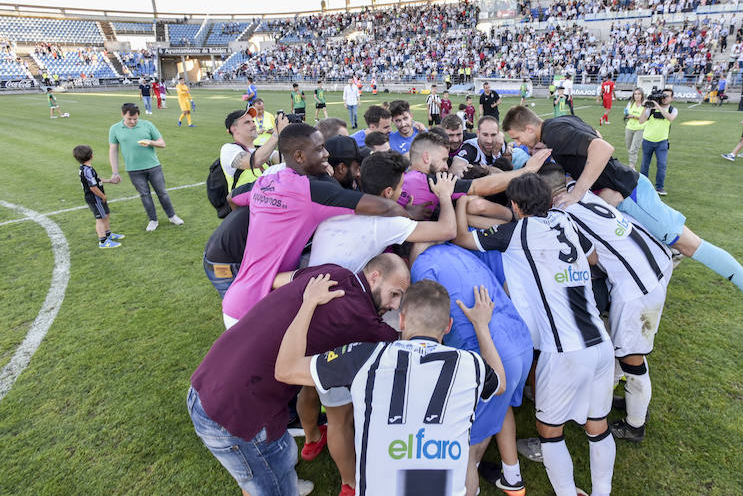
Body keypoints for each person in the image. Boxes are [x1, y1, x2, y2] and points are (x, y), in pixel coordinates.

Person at [502, 105, 743, 333]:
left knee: (689, 244)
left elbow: (601, 147)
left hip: (631, 193)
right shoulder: (558, 124)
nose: (518, 144)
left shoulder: (555, 131)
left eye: (516, 138)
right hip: (626, 192)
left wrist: (580, 191)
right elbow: (593, 133)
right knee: (664, 246)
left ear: (528, 128)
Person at [453, 174, 616, 496]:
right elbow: (593, 257)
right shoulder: (564, 221)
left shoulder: (514, 233)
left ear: (514, 204)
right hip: (601, 342)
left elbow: (461, 238)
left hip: (564, 351)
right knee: (597, 426)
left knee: (549, 431)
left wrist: (457, 203)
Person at [188, 260, 408, 496]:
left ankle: (278, 480)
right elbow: (410, 348)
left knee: (278, 460)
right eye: (394, 295)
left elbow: (282, 280)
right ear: (375, 277)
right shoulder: (361, 319)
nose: (394, 306)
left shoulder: (334, 272)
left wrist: (308, 302)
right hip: (236, 416)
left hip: (209, 380)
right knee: (270, 483)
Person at [273, 278, 505, 496]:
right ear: (448, 327)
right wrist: (481, 325)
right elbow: (500, 384)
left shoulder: (365, 356)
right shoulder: (471, 364)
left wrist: (309, 303)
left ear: (401, 320)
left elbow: (286, 369)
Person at [221, 123, 412, 327]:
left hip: (236, 297)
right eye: (320, 148)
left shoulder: (266, 182)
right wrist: (408, 214)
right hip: (260, 307)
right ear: (300, 156)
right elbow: (385, 207)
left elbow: (232, 197)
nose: (326, 154)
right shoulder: (310, 192)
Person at [537, 164, 672, 443]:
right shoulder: (579, 190)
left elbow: (593, 258)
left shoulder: (563, 213)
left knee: (632, 356)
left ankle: (635, 425)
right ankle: (628, 399)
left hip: (636, 285)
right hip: (656, 260)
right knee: (624, 346)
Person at [411, 243, 532, 496]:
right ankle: (512, 478)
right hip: (520, 342)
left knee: (462, 449)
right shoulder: (461, 252)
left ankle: (469, 479)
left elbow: (430, 327)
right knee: (499, 405)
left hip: (489, 352)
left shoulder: (422, 267)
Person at [304, 155, 457, 274]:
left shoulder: (345, 205)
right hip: (334, 300)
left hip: (306, 283)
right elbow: (448, 230)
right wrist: (444, 195)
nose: (403, 190)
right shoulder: (386, 223)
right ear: (388, 192)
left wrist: (406, 213)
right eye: (401, 186)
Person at [397, 130, 551, 220]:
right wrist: (526, 171)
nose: (445, 166)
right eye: (443, 160)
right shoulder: (430, 181)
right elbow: (480, 186)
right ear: (426, 157)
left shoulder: (402, 177)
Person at [108, 102, 183, 232]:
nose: (132, 121)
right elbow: (113, 151)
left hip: (153, 166)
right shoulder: (114, 129)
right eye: (129, 119)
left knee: (162, 193)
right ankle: (153, 220)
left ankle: (172, 216)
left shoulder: (147, 125)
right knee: (145, 195)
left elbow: (162, 143)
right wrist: (115, 172)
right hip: (133, 170)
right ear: (122, 115)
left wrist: (150, 142)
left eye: (135, 119)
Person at [221, 106, 284, 192]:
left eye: (253, 121)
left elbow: (287, 161)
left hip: (265, 202)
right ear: (234, 129)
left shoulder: (261, 149)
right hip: (246, 204)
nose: (254, 125)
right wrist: (277, 133)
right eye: (247, 122)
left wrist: (292, 133)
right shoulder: (228, 149)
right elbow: (255, 161)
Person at [73, 145, 124, 249]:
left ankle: (108, 234)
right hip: (95, 198)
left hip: (97, 197)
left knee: (106, 214)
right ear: (91, 156)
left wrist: (110, 181)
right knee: (100, 218)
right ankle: (103, 241)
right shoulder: (87, 170)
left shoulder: (86, 168)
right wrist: (102, 196)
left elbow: (96, 179)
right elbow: (93, 187)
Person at [203, 202, 249, 299]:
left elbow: (231, 197)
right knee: (241, 308)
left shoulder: (257, 200)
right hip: (224, 263)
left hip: (213, 252)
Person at [639, 89, 678, 196]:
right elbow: (641, 121)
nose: (665, 98)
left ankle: (659, 187)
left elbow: (670, 118)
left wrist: (658, 106)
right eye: (663, 96)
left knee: (662, 165)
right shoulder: (651, 109)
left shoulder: (672, 109)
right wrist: (645, 107)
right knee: (644, 165)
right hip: (647, 140)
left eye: (667, 96)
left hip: (662, 142)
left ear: (672, 98)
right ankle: (642, 186)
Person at [623, 87, 647, 169]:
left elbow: (643, 118)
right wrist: (626, 114)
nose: (637, 96)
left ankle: (632, 166)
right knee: (629, 148)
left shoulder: (645, 105)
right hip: (629, 127)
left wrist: (633, 116)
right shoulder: (630, 103)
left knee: (634, 149)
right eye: (635, 94)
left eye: (639, 94)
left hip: (640, 128)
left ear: (642, 95)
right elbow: (626, 113)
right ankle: (632, 163)